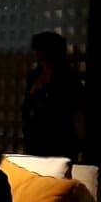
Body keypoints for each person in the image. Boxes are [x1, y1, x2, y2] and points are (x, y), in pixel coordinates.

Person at [22, 31, 83, 159]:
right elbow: (27, 105)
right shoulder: (34, 75)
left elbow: (71, 109)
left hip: (58, 141)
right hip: (34, 140)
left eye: (39, 50)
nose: (36, 54)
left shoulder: (68, 78)